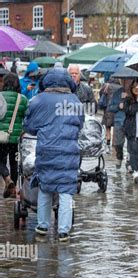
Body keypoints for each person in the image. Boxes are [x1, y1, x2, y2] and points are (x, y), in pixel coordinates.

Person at [23, 68, 85, 242]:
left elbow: (29, 127)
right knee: (66, 191)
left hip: (46, 150)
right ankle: (64, 230)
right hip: (69, 152)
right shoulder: (75, 101)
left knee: (45, 186)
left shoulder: (39, 100)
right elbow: (79, 125)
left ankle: (43, 225)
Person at [0, 73, 28, 198]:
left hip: (1, 137)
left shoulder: (0, 97)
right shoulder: (22, 99)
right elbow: (26, 117)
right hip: (16, 137)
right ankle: (14, 188)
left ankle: (7, 179)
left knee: (1, 161)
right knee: (14, 163)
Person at [99, 77, 122, 153]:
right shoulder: (120, 87)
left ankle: (108, 142)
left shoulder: (106, 85)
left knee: (108, 127)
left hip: (108, 109)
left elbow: (100, 94)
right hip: (117, 110)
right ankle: (114, 144)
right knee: (116, 127)